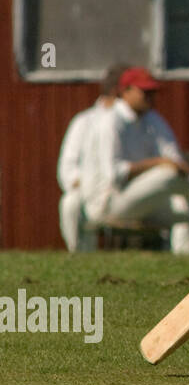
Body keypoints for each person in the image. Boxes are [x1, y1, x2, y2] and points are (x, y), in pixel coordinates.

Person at [82, 67, 189, 253]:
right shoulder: (110, 122)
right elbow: (115, 175)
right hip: (108, 202)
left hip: (144, 200)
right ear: (125, 91)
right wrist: (158, 163)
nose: (150, 97)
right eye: (145, 91)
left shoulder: (153, 119)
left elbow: (176, 163)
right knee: (169, 176)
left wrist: (171, 167)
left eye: (153, 92)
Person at [56, 64, 126, 251]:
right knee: (70, 203)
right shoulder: (84, 121)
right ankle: (79, 254)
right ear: (118, 91)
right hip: (90, 191)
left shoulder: (141, 121)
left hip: (124, 191)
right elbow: (67, 168)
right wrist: (90, 186)